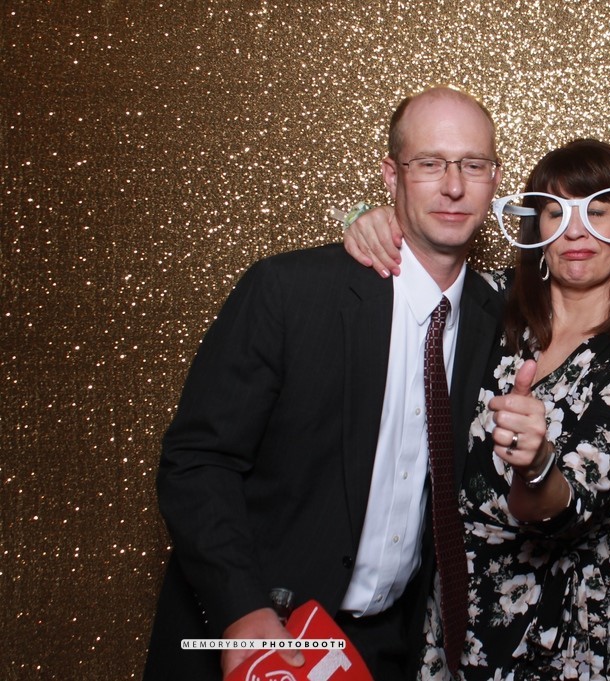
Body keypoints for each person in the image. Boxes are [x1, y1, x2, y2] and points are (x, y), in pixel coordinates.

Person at [144, 86, 505, 681]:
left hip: (388, 648)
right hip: (259, 634)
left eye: (473, 164)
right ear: (391, 174)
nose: (453, 186)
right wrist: (242, 611)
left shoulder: (495, 317)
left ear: (494, 179)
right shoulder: (289, 292)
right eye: (429, 163)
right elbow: (197, 461)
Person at [345, 139, 610, 679]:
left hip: (560, 620)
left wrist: (538, 464)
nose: (574, 231)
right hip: (452, 593)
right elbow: (415, 274)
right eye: (555, 212)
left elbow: (564, 506)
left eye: (596, 211)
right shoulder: (489, 301)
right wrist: (367, 221)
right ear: (536, 229)